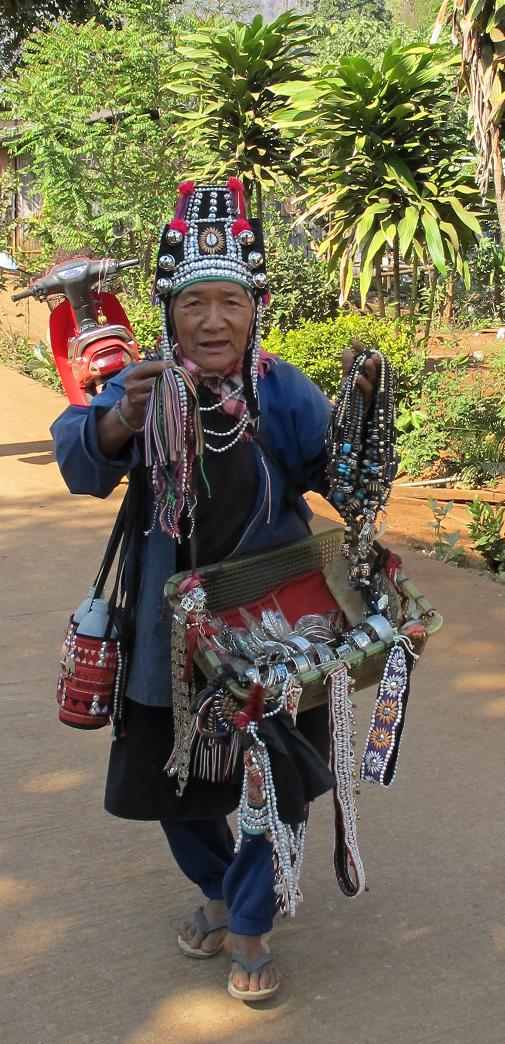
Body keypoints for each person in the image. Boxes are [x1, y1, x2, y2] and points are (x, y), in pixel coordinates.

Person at [51, 178, 378, 1002]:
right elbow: (80, 462)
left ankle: (248, 920)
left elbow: (339, 485)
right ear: (168, 313)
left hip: (278, 620)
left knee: (281, 782)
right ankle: (213, 887)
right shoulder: (142, 386)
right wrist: (120, 420)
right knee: (177, 784)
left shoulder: (283, 388)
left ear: (254, 306)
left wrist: (364, 418)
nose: (210, 321)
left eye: (228, 301)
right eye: (193, 303)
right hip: (171, 629)